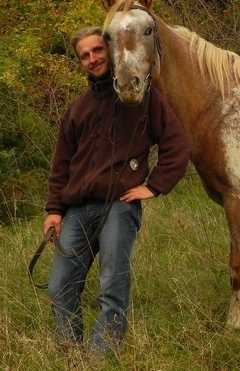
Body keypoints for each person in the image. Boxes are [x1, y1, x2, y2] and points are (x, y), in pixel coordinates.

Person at [43, 26, 190, 355]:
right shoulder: (76, 110)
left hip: (119, 208)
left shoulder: (141, 98)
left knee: (112, 287)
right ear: (81, 61)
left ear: (109, 51)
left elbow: (176, 146)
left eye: (97, 51)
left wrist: (153, 187)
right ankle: (72, 355)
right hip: (77, 211)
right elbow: (61, 166)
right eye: (85, 55)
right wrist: (54, 211)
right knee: (59, 287)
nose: (93, 58)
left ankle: (99, 358)